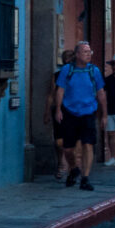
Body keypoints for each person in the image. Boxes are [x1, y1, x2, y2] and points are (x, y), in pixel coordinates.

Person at [54, 41, 107, 191]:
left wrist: (104, 114)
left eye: (89, 51)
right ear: (77, 54)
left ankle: (85, 177)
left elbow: (101, 93)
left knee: (87, 144)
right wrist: (58, 109)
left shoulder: (94, 71)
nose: (88, 54)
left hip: (88, 112)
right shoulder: (67, 70)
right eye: (85, 52)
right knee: (68, 149)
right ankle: (74, 168)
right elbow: (60, 91)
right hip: (70, 112)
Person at [44, 49, 73, 179]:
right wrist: (47, 111)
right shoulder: (57, 75)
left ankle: (69, 166)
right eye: (65, 57)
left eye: (70, 58)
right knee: (59, 141)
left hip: (74, 111)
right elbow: (51, 94)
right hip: (59, 110)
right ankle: (61, 162)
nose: (67, 60)